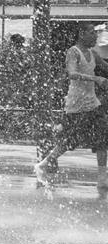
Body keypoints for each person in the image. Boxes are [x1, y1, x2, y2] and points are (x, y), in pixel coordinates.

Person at [35, 23, 108, 191]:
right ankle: (43, 164)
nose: (95, 36)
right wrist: (95, 79)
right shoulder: (73, 52)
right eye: (92, 33)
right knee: (70, 140)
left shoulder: (93, 53)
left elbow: (105, 66)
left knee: (103, 135)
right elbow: (72, 74)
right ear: (82, 34)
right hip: (76, 104)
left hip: (93, 103)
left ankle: (102, 178)